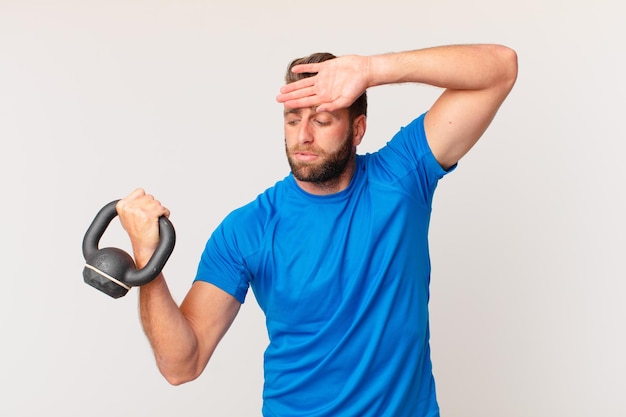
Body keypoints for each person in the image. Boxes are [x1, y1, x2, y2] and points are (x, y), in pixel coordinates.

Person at [116, 44, 518, 416]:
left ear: (357, 130)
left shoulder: (401, 177)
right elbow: (181, 365)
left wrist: (371, 69)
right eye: (293, 120)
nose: (304, 136)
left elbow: (500, 69)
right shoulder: (249, 229)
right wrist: (147, 262)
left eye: (323, 120)